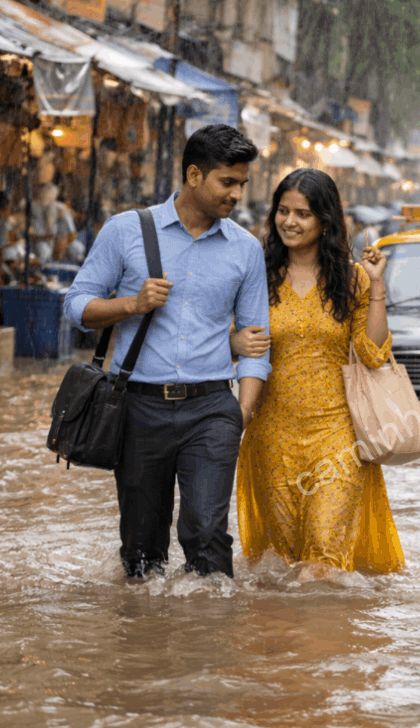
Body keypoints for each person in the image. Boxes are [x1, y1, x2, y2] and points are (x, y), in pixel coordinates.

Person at [63, 123, 269, 579]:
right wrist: (132, 304)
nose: (237, 194)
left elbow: (256, 344)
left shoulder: (246, 250)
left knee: (206, 530)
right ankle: (144, 640)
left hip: (213, 408)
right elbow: (75, 306)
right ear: (193, 176)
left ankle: (212, 636)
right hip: (138, 406)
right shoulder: (125, 231)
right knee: (141, 545)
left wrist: (243, 412)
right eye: (227, 182)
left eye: (242, 184)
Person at [228, 168, 404, 579]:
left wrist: (377, 285)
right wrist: (234, 343)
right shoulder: (258, 277)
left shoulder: (351, 279)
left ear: (325, 220)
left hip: (337, 437)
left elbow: (374, 353)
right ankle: (289, 641)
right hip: (271, 435)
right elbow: (214, 335)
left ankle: (328, 641)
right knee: (284, 562)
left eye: (302, 214)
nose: (290, 222)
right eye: (283, 211)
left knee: (323, 554)